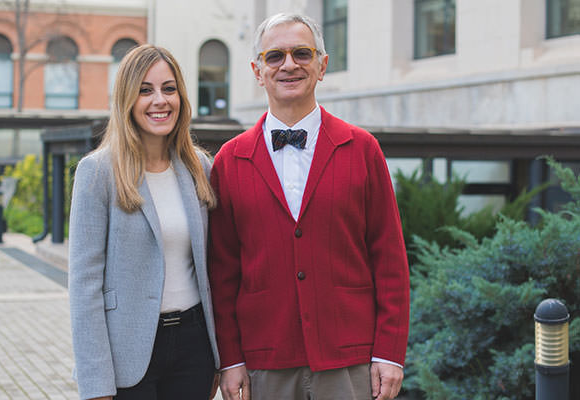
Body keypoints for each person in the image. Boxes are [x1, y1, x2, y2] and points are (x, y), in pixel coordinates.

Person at [208, 13, 410, 400]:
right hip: (264, 361)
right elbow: (223, 272)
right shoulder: (229, 161)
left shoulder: (362, 149)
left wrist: (389, 352)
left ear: (322, 65)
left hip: (349, 360)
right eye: (274, 56)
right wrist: (230, 360)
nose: (289, 65)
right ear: (256, 70)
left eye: (302, 53)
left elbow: (389, 259)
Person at [69, 44, 220, 400]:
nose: (160, 100)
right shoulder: (97, 172)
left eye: (169, 89)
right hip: (128, 354)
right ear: (127, 100)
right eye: (145, 90)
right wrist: (95, 382)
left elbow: (215, 268)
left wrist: (220, 356)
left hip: (194, 347)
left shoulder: (200, 168)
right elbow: (84, 284)